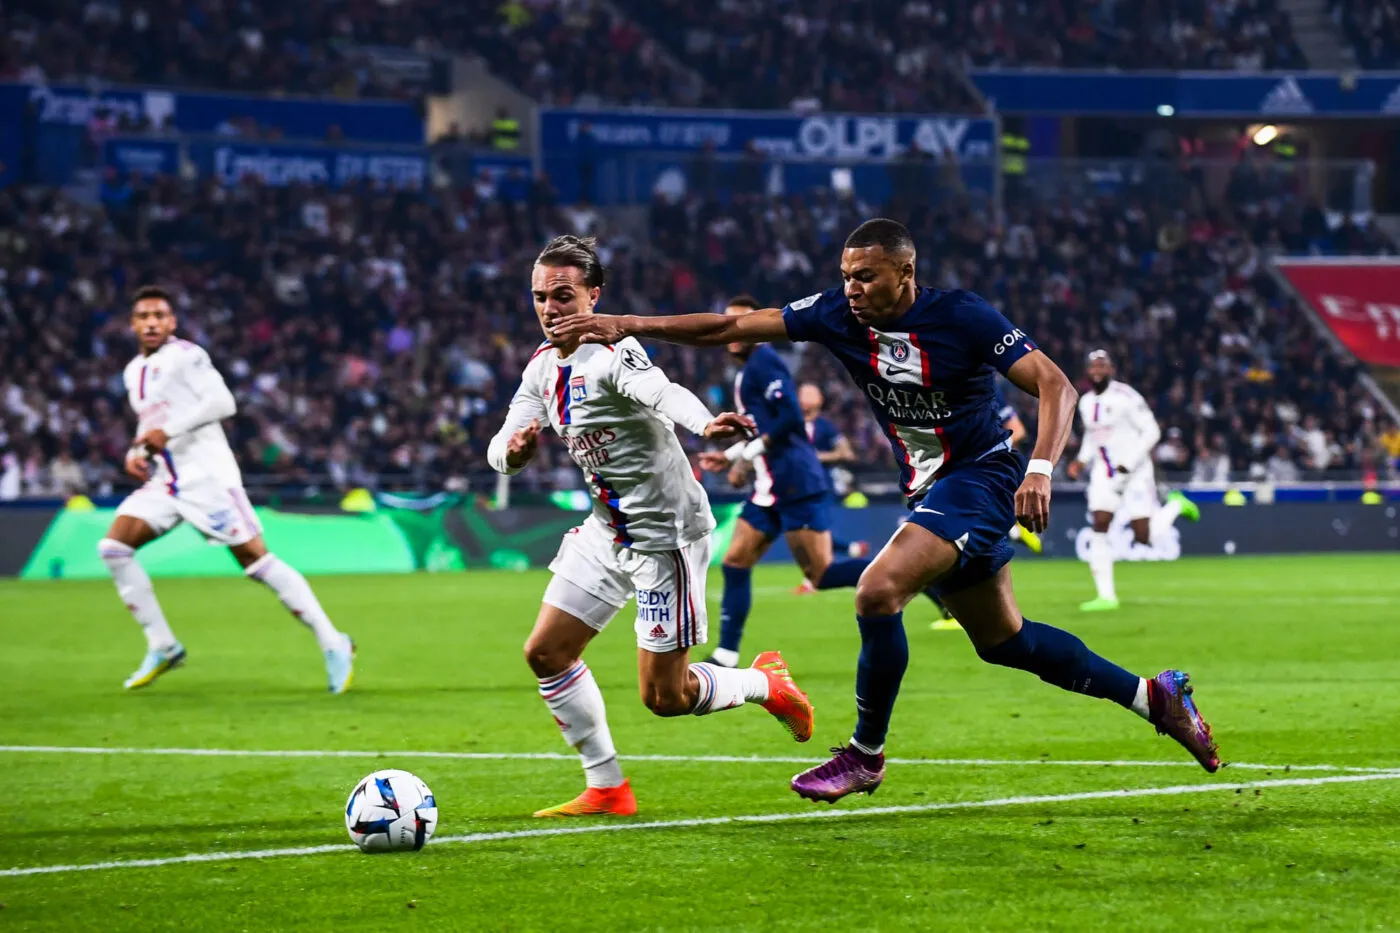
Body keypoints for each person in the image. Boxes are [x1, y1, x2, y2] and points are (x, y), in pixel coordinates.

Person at [550, 218, 1220, 804]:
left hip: (982, 478)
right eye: (845, 276)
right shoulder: (837, 316)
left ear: (907, 272)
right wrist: (630, 323)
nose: (852, 289)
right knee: (1005, 641)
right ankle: (1155, 696)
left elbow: (1055, 383)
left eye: (867, 277)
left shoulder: (962, 316)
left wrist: (1040, 467)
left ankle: (865, 753)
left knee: (877, 591)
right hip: (931, 492)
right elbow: (732, 324)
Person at [488, 237, 815, 818]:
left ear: (594, 294)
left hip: (666, 537)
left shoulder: (614, 352)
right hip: (607, 530)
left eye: (562, 295)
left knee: (666, 697)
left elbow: (661, 393)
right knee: (546, 652)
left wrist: (706, 422)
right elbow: (503, 442)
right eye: (540, 296)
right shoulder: (542, 368)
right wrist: (512, 453)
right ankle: (607, 787)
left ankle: (767, 682)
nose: (549, 307)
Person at [101, 286, 355, 692]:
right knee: (113, 548)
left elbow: (223, 403)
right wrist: (138, 449)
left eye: (159, 315)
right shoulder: (134, 371)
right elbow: (151, 420)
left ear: (172, 322)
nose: (151, 322)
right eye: (143, 316)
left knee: (256, 562)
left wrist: (166, 433)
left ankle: (333, 641)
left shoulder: (187, 356)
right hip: (166, 482)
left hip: (207, 479)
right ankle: (163, 645)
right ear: (132, 324)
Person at [694, 296, 873, 669]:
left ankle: (906, 573)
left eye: (743, 323)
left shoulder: (765, 362)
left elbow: (790, 417)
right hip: (769, 490)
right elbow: (765, 427)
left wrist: (746, 452)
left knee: (821, 575)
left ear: (758, 329)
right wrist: (728, 456)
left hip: (794, 484)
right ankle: (727, 654)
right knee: (735, 561)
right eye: (728, 323)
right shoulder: (747, 371)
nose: (734, 331)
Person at [1066, 350, 1199, 612]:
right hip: (1104, 474)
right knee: (1099, 525)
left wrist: (1129, 460)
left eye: (1102, 365)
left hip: (1135, 472)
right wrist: (1081, 460)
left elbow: (1152, 431)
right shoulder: (1085, 402)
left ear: (1111, 369)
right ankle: (1106, 596)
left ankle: (1175, 506)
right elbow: (1093, 439)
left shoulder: (1126, 396)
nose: (1098, 370)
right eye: (1093, 366)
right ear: (1087, 371)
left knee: (1143, 537)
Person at [995, 384, 1044, 559]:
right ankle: (1014, 529)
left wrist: (987, 450)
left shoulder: (989, 388)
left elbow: (1018, 431)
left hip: (982, 469)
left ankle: (1014, 529)